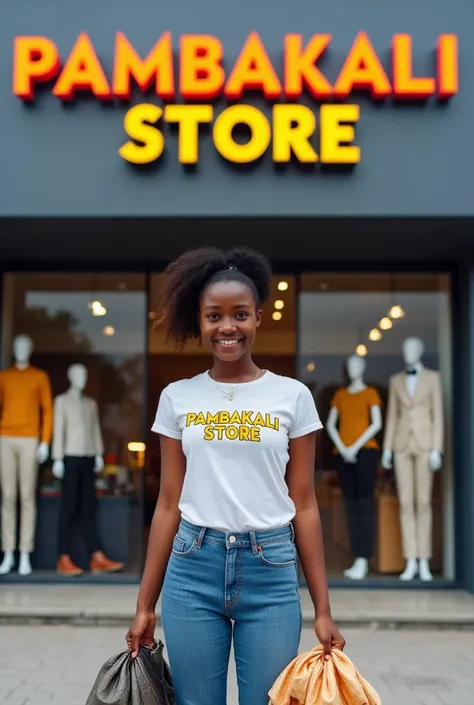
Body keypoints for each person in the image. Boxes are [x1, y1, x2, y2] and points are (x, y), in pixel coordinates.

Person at [126, 246, 345, 705]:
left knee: (268, 700)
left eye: (240, 314)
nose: (228, 327)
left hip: (270, 569)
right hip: (192, 567)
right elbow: (168, 502)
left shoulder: (293, 396)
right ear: (200, 321)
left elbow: (304, 503)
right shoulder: (177, 398)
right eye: (214, 316)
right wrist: (145, 605)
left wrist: (323, 610)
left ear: (258, 318)